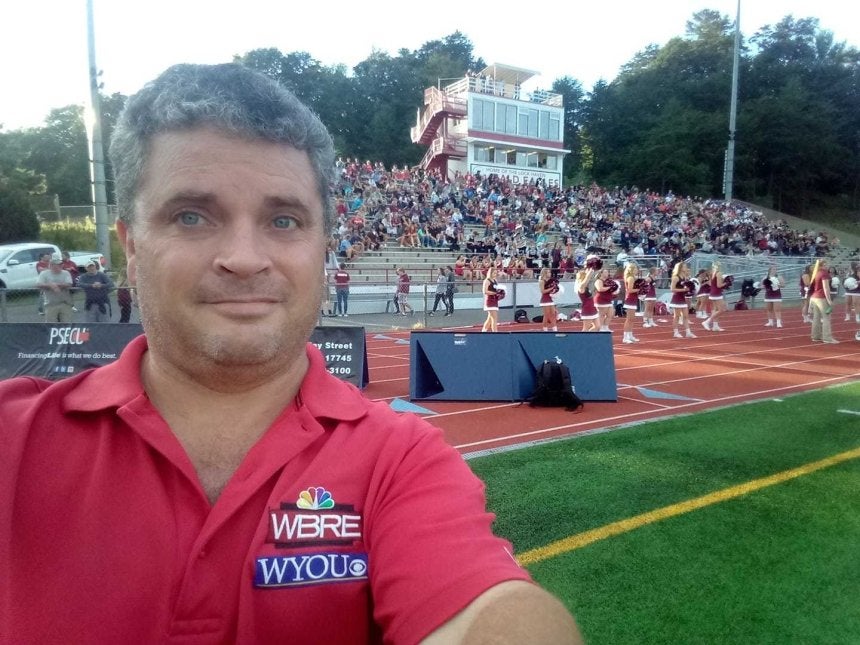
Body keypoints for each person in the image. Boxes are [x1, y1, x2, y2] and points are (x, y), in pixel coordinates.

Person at [0, 63, 580, 644]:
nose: (245, 257)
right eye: (192, 216)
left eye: (283, 219)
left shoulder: (399, 458)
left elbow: (484, 607)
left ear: (323, 249)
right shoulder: (16, 436)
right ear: (131, 246)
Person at [35, 254, 74, 322]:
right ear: (50, 265)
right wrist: (50, 285)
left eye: (59, 264)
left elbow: (69, 284)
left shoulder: (66, 273)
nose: (57, 266)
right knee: (51, 325)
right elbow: (38, 284)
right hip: (50, 304)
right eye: (54, 264)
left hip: (65, 302)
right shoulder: (44, 274)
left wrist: (56, 285)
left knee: (67, 324)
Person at [807, 258, 838, 344]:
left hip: (814, 297)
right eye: (827, 264)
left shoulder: (816, 273)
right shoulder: (824, 273)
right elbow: (826, 287)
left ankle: (816, 336)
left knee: (816, 317)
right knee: (826, 317)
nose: (828, 266)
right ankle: (827, 338)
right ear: (823, 265)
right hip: (821, 297)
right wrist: (829, 300)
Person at [669, 261, 697, 339]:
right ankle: (676, 332)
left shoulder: (684, 277)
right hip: (677, 298)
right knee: (677, 316)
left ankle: (688, 332)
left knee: (686, 316)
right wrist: (683, 290)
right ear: (680, 268)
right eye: (684, 266)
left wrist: (689, 290)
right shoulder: (676, 277)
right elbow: (672, 289)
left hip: (682, 298)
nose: (686, 268)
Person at [702, 262, 727, 332]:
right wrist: (726, 283)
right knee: (722, 310)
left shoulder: (712, 273)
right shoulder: (718, 273)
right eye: (719, 265)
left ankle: (715, 326)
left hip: (713, 293)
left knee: (716, 310)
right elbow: (719, 285)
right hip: (717, 293)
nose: (720, 266)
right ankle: (707, 321)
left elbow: (711, 283)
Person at [621, 263, 641, 344]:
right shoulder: (631, 278)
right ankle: (625, 337)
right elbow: (629, 290)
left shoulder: (632, 277)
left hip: (632, 299)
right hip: (630, 299)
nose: (637, 270)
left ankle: (630, 335)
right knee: (629, 319)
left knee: (632, 319)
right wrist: (639, 289)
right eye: (635, 268)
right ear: (632, 269)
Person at [482, 265, 503, 332]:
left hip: (495, 300)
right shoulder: (487, 281)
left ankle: (483, 331)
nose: (495, 274)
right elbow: (485, 291)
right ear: (490, 273)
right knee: (494, 318)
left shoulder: (495, 280)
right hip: (489, 301)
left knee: (490, 318)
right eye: (494, 273)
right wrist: (494, 293)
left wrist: (500, 291)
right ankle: (495, 333)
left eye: (496, 273)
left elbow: (497, 289)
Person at [537, 267, 558, 332]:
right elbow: (542, 291)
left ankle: (555, 328)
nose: (550, 273)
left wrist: (555, 290)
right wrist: (551, 288)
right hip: (545, 300)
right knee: (547, 315)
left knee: (553, 313)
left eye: (550, 272)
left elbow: (552, 289)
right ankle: (545, 328)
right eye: (548, 272)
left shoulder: (551, 281)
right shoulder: (542, 281)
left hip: (550, 299)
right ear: (545, 273)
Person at [593, 267, 614, 332]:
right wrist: (610, 287)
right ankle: (600, 327)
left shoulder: (608, 281)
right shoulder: (598, 281)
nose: (607, 273)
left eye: (607, 272)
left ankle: (606, 327)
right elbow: (600, 289)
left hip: (608, 299)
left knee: (610, 314)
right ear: (601, 273)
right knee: (601, 315)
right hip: (601, 300)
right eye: (605, 272)